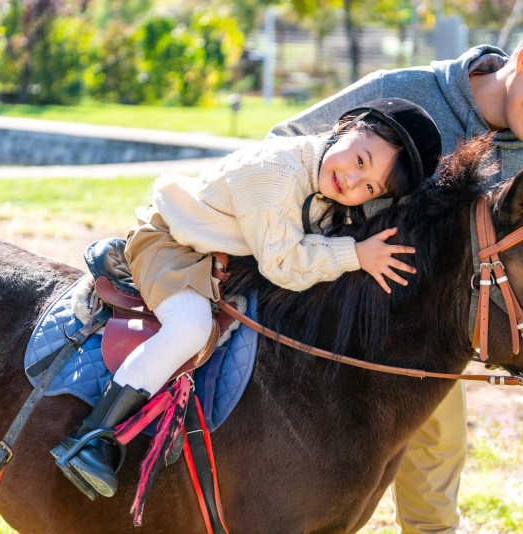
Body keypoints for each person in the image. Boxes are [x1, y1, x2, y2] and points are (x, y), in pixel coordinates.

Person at [269, 11, 523, 533]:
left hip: (423, 338)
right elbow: (284, 141)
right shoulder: (407, 91)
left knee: (436, 474)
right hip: (323, 302)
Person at [53, 98, 443, 499]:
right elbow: (284, 263)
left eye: (370, 187)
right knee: (190, 327)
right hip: (172, 241)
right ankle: (91, 436)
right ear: (347, 127)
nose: (353, 182)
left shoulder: (323, 181)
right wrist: (355, 254)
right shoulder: (277, 173)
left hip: (216, 254)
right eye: (360, 161)